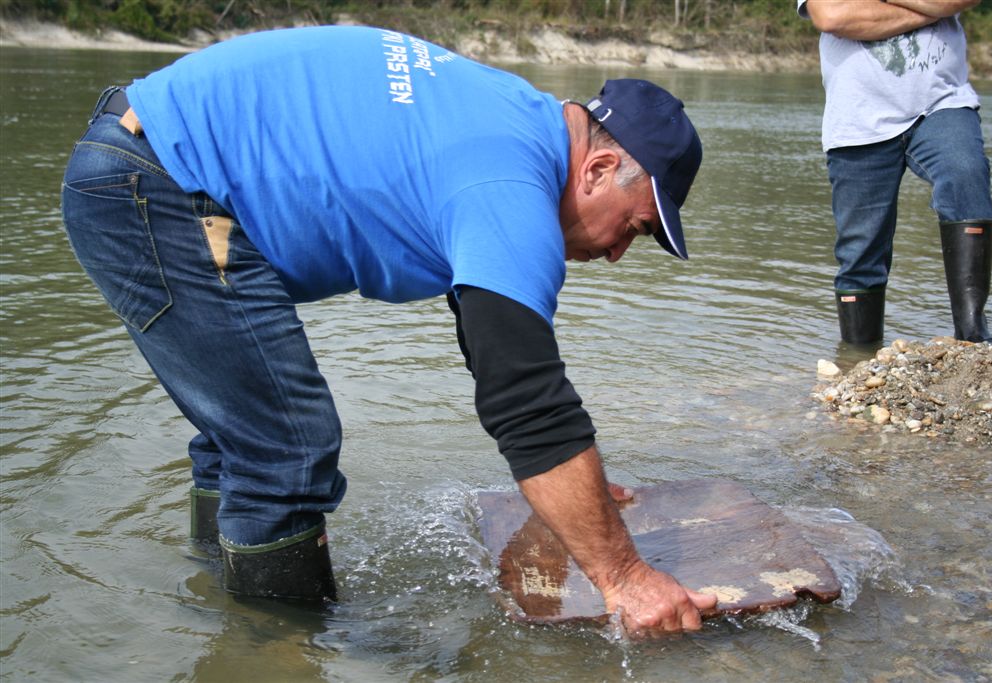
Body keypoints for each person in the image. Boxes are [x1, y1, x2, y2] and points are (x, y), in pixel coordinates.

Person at [60, 25, 717, 633]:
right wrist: (625, 575)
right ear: (598, 171)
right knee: (284, 447)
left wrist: (582, 498)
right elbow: (526, 401)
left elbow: (494, 353)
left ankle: (221, 609)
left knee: (247, 429)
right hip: (162, 184)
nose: (616, 254)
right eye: (633, 227)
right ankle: (275, 652)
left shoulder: (510, 123)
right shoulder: (508, 183)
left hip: (158, 168)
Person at [798, 0, 992, 344]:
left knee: (965, 173)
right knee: (859, 248)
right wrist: (932, 9)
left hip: (942, 101)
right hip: (857, 117)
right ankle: (858, 361)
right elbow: (831, 15)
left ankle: (973, 336)